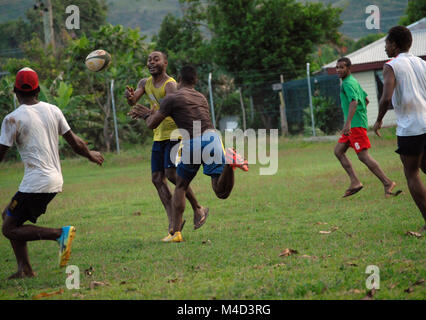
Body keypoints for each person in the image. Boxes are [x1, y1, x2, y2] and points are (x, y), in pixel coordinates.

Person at [0, 67, 104, 279]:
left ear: (15, 92)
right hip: (54, 179)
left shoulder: (12, 119)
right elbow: (75, 143)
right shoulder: (53, 110)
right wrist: (90, 155)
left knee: (8, 229)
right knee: (8, 216)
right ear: (38, 90)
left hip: (35, 184)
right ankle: (25, 269)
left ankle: (59, 234)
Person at [129, 65, 248, 242]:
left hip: (192, 142)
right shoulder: (201, 97)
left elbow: (152, 124)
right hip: (213, 138)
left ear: (178, 79)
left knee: (181, 186)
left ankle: (175, 233)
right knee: (220, 192)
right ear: (196, 81)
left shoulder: (172, 98)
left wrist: (147, 114)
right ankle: (230, 165)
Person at [125, 51, 208, 240]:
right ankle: (173, 223)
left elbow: (172, 107)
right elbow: (134, 100)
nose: (151, 62)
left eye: (156, 59)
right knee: (156, 178)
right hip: (158, 136)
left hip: (174, 135)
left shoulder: (170, 85)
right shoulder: (143, 83)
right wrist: (129, 97)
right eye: (149, 59)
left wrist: (150, 114)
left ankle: (197, 209)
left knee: (171, 174)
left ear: (165, 63)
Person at [374, 26, 426, 232]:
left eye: (387, 43)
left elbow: (386, 97)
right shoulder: (424, 63)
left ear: (394, 45)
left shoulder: (391, 65)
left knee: (412, 172)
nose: (385, 48)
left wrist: (379, 119)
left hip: (411, 127)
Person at [334, 57, 401, 198]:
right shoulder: (353, 82)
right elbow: (366, 99)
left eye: (342, 67)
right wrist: (361, 113)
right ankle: (355, 182)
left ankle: (387, 182)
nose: (339, 70)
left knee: (363, 156)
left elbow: (354, 101)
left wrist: (349, 123)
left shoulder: (347, 84)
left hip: (354, 125)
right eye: (337, 67)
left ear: (349, 68)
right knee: (339, 151)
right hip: (355, 123)